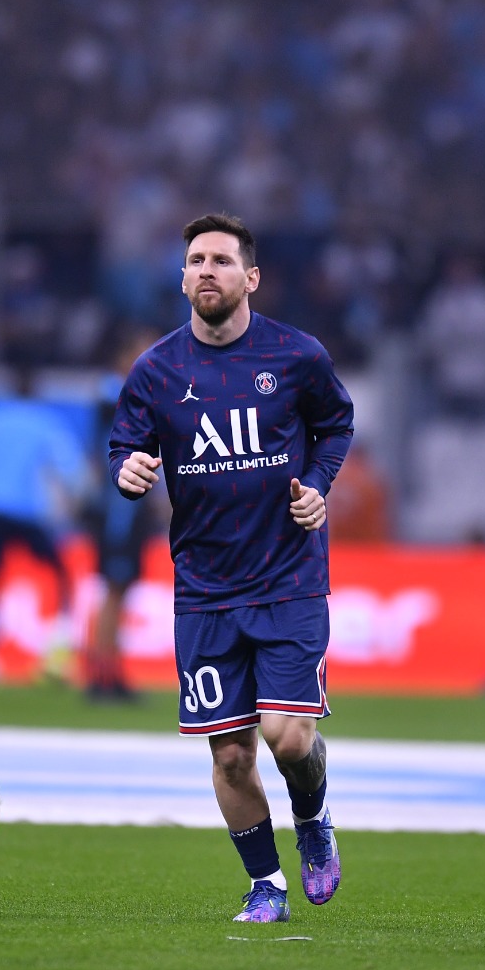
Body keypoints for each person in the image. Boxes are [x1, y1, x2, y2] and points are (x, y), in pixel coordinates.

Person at [109, 212, 355, 923]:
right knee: (231, 758)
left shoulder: (297, 355)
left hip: (289, 578)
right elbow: (122, 445)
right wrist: (128, 472)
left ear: (251, 278)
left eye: (221, 259)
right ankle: (265, 886)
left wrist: (317, 484)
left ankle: (312, 821)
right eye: (195, 260)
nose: (206, 270)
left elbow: (336, 424)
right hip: (206, 589)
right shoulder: (156, 370)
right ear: (182, 277)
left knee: (288, 737)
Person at [0, 366, 86, 682]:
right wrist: (79, 503)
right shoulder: (44, 422)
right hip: (28, 513)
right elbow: (70, 470)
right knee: (61, 575)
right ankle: (58, 649)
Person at [82, 326, 163, 701]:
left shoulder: (129, 395)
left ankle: (110, 672)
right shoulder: (114, 394)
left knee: (121, 590)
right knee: (114, 590)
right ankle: (101, 675)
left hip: (131, 508)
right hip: (118, 509)